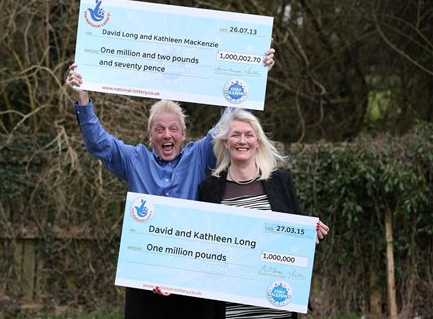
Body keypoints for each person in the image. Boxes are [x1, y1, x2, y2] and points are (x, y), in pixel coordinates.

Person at [65, 49, 275, 319]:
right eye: (160, 129)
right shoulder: (134, 159)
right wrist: (83, 98)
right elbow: (99, 143)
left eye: (173, 129)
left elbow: (228, 119)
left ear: (184, 133)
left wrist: (256, 72)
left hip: (190, 276)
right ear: (150, 134)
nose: (167, 135)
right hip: (144, 275)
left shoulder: (199, 156)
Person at [197, 108, 329, 319]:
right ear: (225, 142)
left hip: (276, 303)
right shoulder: (208, 189)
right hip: (231, 308)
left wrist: (310, 234)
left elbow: (296, 237)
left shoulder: (280, 181)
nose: (243, 140)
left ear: (258, 142)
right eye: (235, 135)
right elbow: (200, 245)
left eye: (249, 135)